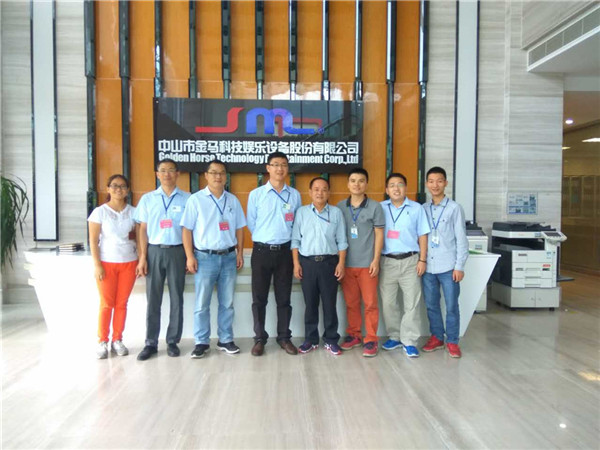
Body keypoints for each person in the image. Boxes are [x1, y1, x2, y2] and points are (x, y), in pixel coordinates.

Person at [181, 160, 246, 358]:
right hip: (204, 257)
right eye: (214, 172)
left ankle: (225, 339)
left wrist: (239, 252)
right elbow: (186, 229)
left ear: (226, 176)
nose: (218, 176)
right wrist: (189, 256)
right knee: (202, 303)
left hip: (228, 257)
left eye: (222, 173)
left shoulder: (233, 200)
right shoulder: (196, 200)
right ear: (206, 175)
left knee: (227, 302)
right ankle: (201, 342)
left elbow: (239, 228)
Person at [134, 159, 191, 361]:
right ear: (157, 174)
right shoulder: (148, 199)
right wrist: (143, 257)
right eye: (163, 170)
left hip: (177, 252)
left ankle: (172, 341)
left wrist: (189, 255)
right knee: (153, 299)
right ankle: (150, 343)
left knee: (177, 298)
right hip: (154, 251)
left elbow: (189, 229)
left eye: (171, 170)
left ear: (177, 174)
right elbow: (142, 229)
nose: (167, 174)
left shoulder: (188, 199)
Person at [246, 152, 301, 356]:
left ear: (288, 169)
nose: (280, 168)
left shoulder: (294, 195)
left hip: (285, 252)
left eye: (284, 165)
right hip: (261, 251)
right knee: (259, 299)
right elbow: (252, 223)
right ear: (268, 168)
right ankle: (259, 338)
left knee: (284, 298)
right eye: (275, 164)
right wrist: (266, 238)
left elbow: (296, 224)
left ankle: (284, 337)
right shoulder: (256, 194)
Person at [291, 177, 348, 356]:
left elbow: (342, 241)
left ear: (329, 192)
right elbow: (295, 240)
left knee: (330, 304)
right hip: (307, 263)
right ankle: (311, 339)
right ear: (310, 192)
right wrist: (296, 264)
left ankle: (331, 340)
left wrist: (341, 263)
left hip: (329, 263)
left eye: (324, 189)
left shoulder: (336, 213)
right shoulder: (301, 212)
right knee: (310, 304)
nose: (320, 193)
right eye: (316, 189)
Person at [379, 173, 431, 358]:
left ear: (406, 188)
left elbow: (423, 235)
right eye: (392, 185)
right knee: (388, 303)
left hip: (411, 261)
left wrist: (422, 259)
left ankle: (409, 341)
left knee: (412, 303)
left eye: (400, 184)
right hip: (387, 262)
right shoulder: (380, 208)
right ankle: (394, 336)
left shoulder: (416, 208)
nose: (396, 188)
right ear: (387, 190)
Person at [88, 174, 138, 359]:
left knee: (122, 303)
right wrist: (97, 265)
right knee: (106, 303)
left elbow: (139, 237)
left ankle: (117, 339)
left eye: (123, 186)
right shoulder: (99, 212)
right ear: (108, 189)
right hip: (107, 263)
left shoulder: (134, 212)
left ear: (128, 190)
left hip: (129, 262)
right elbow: (93, 240)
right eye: (115, 186)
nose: (119, 189)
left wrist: (142, 259)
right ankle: (102, 341)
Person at [337, 168, 385, 357]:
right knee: (351, 303)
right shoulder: (340, 207)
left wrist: (376, 260)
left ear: (366, 184)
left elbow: (379, 234)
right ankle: (354, 335)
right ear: (348, 184)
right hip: (347, 264)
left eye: (361, 181)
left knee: (370, 303)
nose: (357, 184)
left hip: (367, 264)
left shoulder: (375, 207)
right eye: (353, 180)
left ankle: (371, 339)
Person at [422, 166, 469, 358]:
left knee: (451, 306)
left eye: (439, 181)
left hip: (448, 266)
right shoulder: (423, 209)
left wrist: (459, 266)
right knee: (431, 305)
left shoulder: (454, 208)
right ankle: (436, 337)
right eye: (431, 181)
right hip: (428, 267)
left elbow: (461, 239)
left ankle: (452, 341)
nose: (435, 185)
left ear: (446, 183)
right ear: (426, 184)